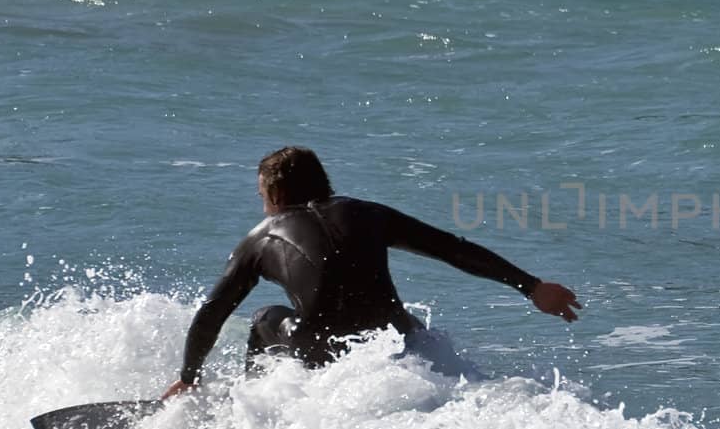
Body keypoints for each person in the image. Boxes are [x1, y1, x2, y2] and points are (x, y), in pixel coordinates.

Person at [161, 146, 580, 398]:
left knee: (263, 318)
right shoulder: (368, 214)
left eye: (261, 196)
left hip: (318, 348)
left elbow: (213, 311)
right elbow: (453, 250)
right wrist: (531, 287)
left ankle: (252, 403)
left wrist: (188, 377)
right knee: (412, 321)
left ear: (274, 195)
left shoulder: (261, 238)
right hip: (391, 341)